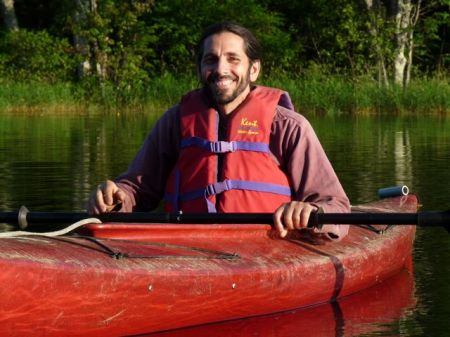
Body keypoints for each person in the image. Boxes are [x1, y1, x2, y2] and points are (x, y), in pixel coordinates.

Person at [87, 22, 350, 240]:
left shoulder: (288, 126)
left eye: (233, 59)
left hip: (267, 247)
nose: (221, 69)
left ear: (254, 69)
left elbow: (336, 206)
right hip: (186, 248)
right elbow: (137, 190)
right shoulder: (175, 122)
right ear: (200, 69)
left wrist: (310, 210)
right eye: (211, 60)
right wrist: (117, 198)